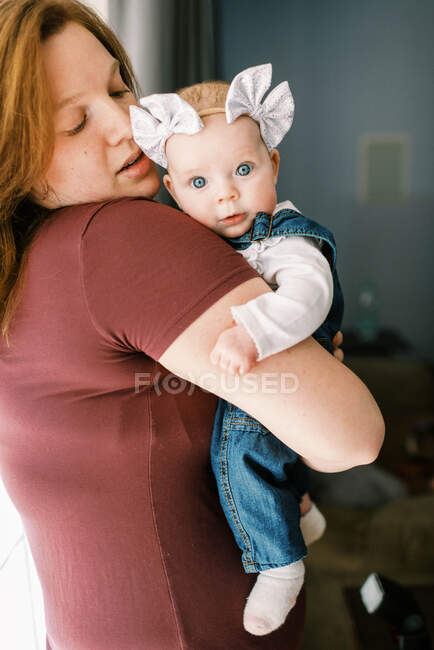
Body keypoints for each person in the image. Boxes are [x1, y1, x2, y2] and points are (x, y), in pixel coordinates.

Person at [0, 2, 384, 649]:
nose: (126, 122)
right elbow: (354, 434)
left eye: (121, 86)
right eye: (75, 122)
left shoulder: (31, 264)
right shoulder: (121, 239)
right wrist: (312, 375)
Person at [130, 64, 343, 636]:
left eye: (243, 170)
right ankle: (300, 510)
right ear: (173, 190)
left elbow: (310, 294)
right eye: (199, 184)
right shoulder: (196, 243)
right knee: (265, 460)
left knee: (241, 452)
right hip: (260, 379)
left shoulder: (285, 239)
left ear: (273, 164)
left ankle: (280, 565)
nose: (225, 193)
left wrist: (253, 330)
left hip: (277, 372)